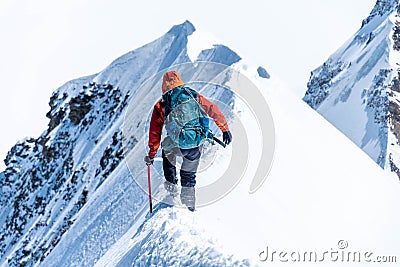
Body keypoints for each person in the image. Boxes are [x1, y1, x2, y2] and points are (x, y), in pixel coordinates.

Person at [144, 70, 232, 211]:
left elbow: (155, 133)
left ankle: (172, 190)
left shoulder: (161, 105)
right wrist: (225, 129)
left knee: (167, 151)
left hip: (177, 145)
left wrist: (152, 154)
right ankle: (189, 205)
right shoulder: (192, 95)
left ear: (163, 86)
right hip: (196, 144)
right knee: (189, 174)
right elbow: (212, 109)